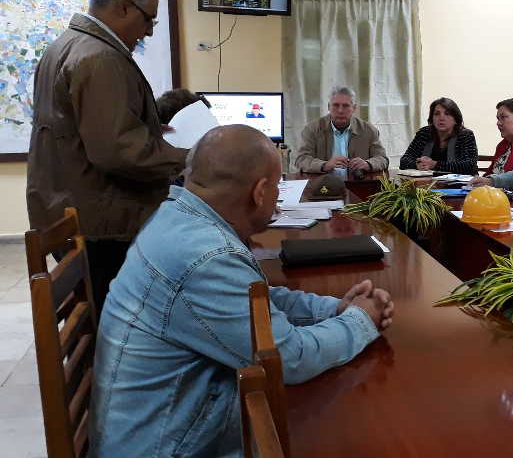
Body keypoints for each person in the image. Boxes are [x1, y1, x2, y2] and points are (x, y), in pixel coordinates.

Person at [90, 125, 395, 457]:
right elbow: (288, 359)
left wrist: (333, 309)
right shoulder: (207, 256)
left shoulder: (178, 217)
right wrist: (361, 320)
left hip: (165, 424)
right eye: (278, 187)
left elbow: (256, 297)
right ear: (260, 192)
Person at [26, 0, 190, 315]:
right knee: (119, 332)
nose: (147, 32)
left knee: (101, 322)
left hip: (70, 212)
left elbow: (89, 127)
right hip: (103, 227)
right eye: (149, 20)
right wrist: (195, 158)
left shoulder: (67, 46)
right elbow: (118, 151)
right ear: (123, 7)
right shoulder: (100, 58)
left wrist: (162, 109)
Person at [294, 85, 389, 173]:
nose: (340, 110)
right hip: (323, 186)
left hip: (358, 185)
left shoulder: (368, 130)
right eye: (335, 105)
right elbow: (301, 160)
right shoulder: (312, 129)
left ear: (354, 108)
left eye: (346, 106)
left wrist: (367, 164)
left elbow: (382, 159)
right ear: (328, 107)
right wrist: (325, 165)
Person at [400, 97, 478, 174]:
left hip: (461, 185)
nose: (441, 118)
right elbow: (404, 160)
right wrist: (417, 165)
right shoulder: (424, 133)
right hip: (427, 183)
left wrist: (434, 164)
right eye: (437, 114)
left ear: (456, 119)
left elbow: (469, 166)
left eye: (447, 114)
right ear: (432, 118)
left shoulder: (465, 135)